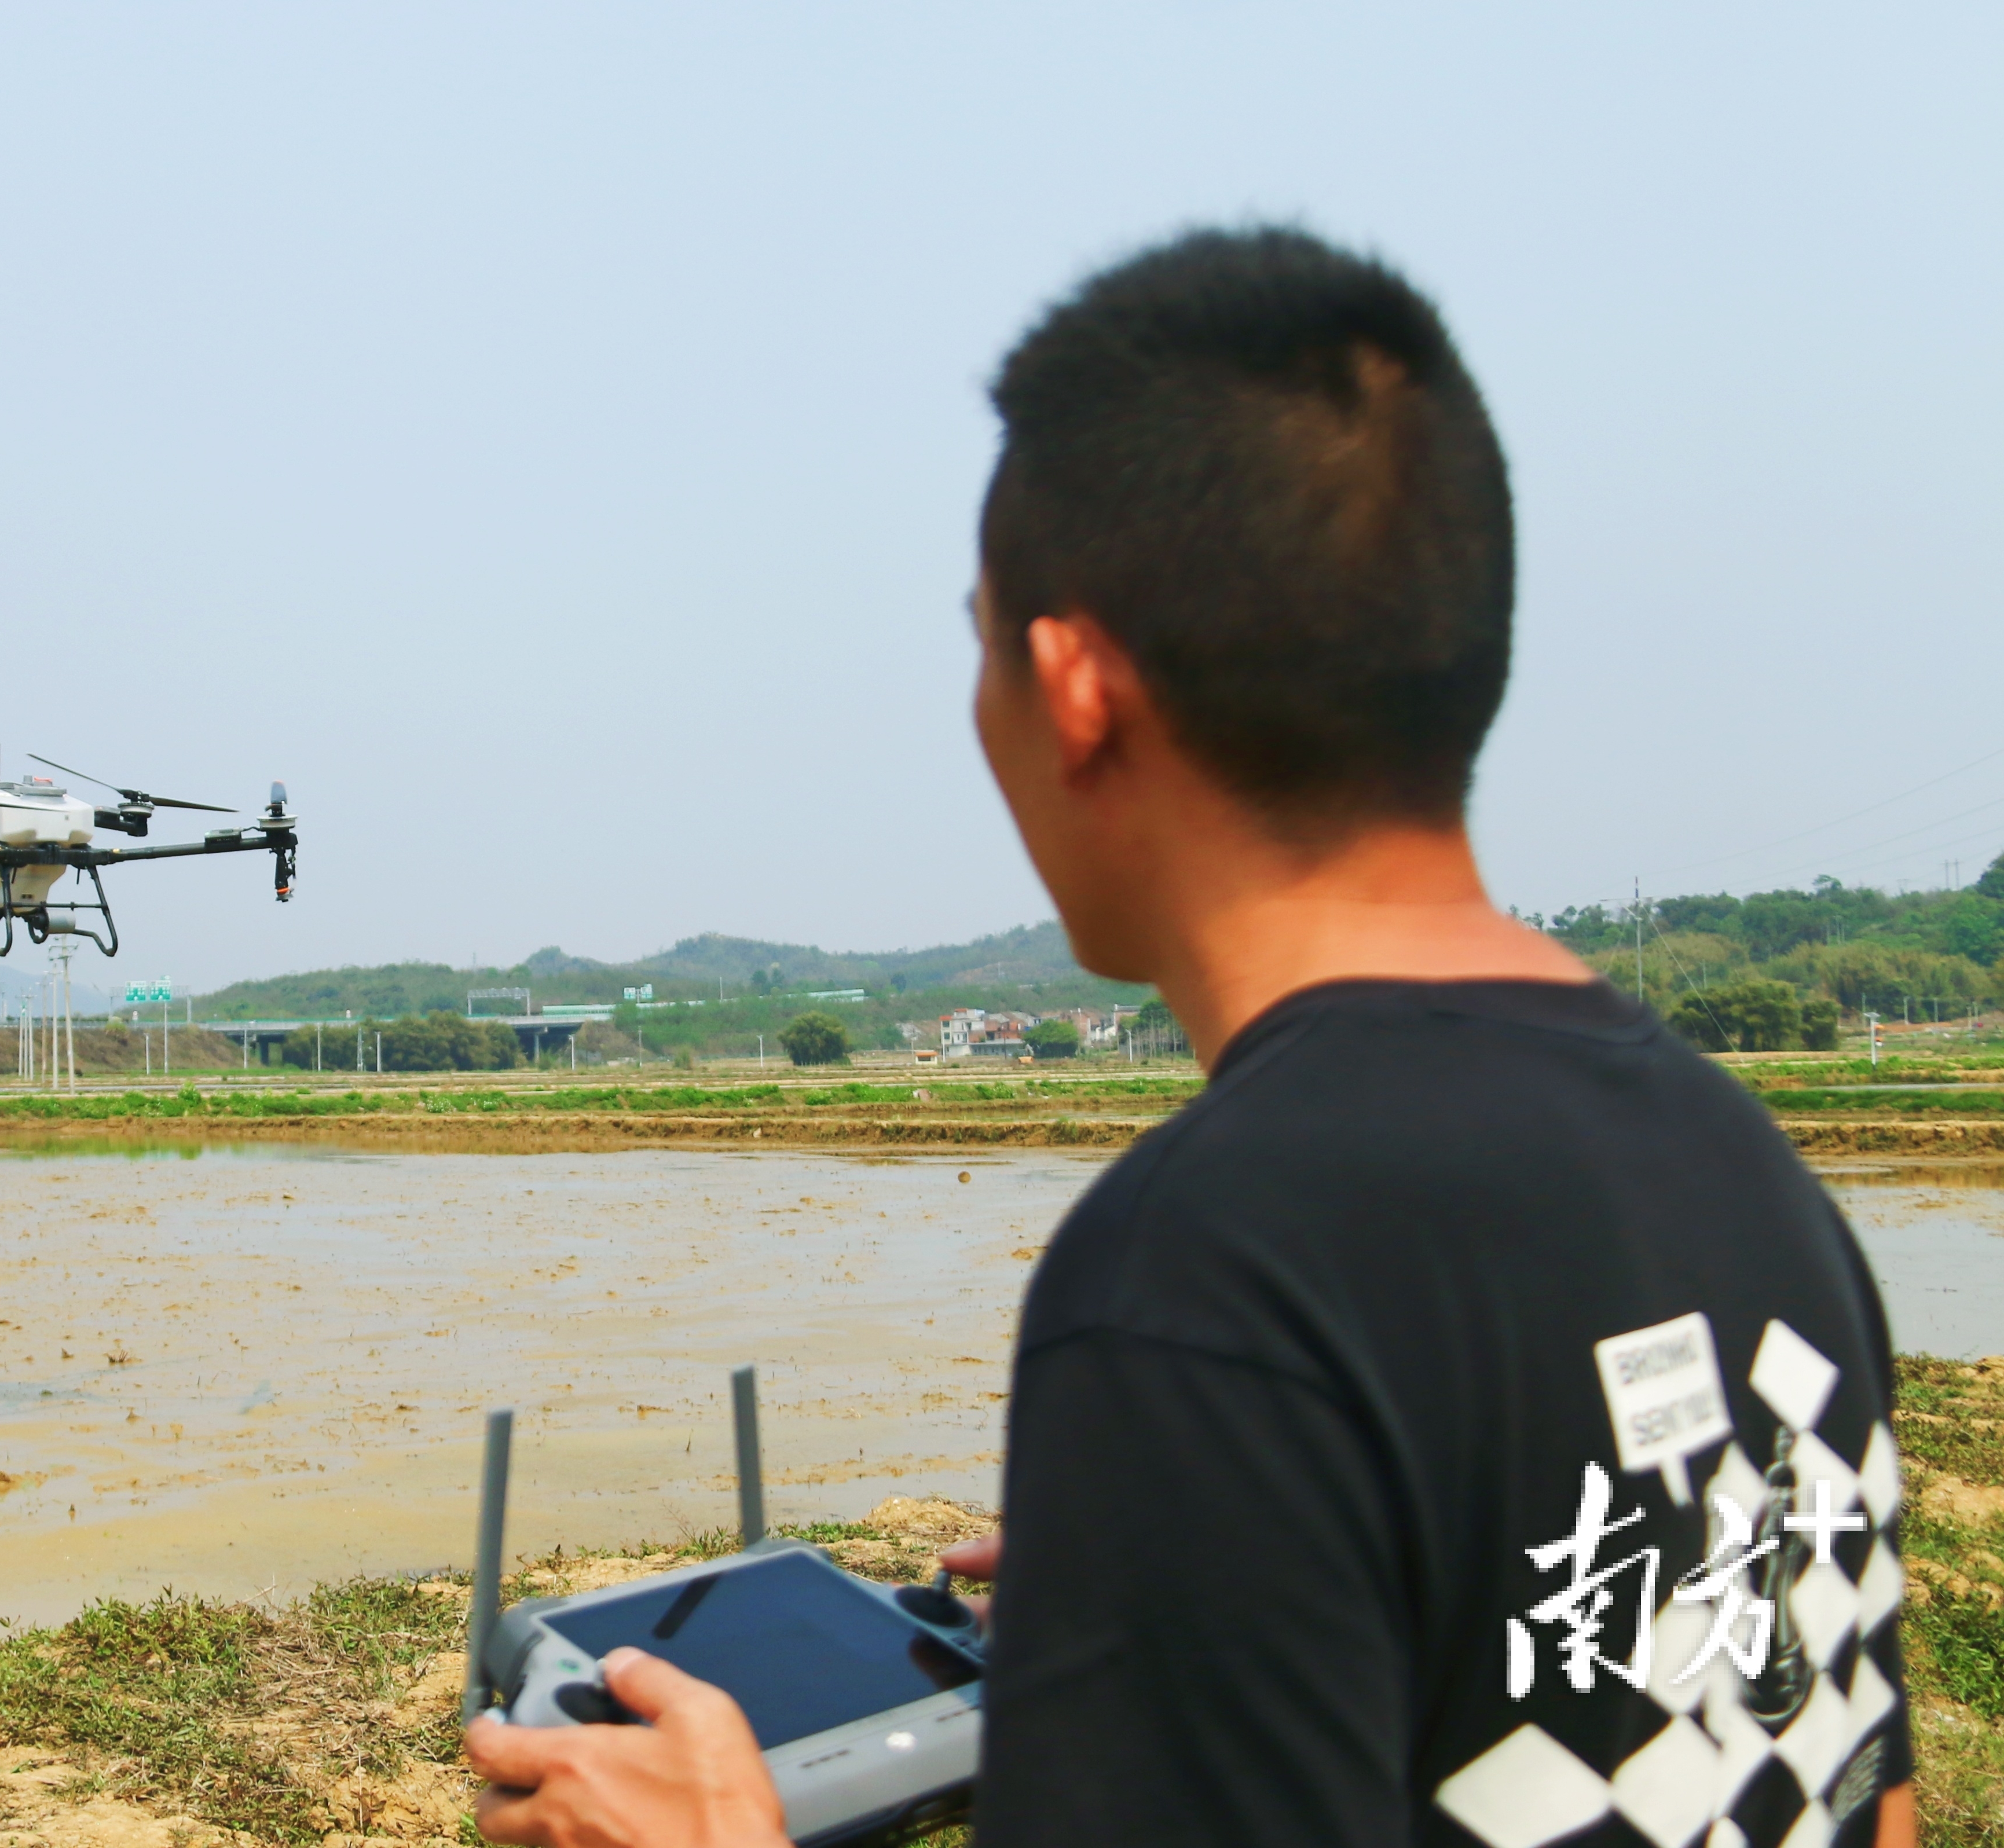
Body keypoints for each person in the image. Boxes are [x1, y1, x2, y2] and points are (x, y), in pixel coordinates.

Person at [464, 228, 1911, 1848]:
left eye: (980, 643)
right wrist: (1207, 1570)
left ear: (1073, 687)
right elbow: (1857, 1790)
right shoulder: (1744, 1167)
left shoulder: (1207, 1274)